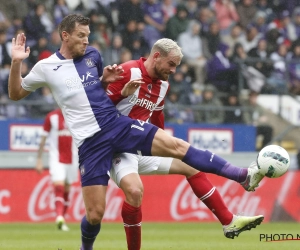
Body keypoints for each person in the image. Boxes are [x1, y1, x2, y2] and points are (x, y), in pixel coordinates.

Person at [8, 14, 264, 250]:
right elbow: (16, 93)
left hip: (115, 125)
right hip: (90, 143)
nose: (86, 40)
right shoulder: (46, 67)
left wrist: (105, 80)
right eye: (81, 35)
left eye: (88, 35)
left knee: (177, 148)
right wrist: (16, 62)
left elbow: (96, 93)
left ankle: (242, 175)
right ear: (65, 35)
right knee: (95, 214)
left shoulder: (93, 56)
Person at [106, 41, 264, 250]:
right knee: (134, 193)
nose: (173, 70)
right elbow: (99, 109)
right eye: (171, 64)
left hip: (140, 145)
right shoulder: (127, 71)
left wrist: (161, 141)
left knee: (191, 166)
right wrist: (122, 94)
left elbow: (157, 115)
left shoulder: (163, 85)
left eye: (176, 66)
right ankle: (241, 175)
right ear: (156, 57)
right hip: (115, 147)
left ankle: (228, 221)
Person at [36, 108, 78, 231]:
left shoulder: (75, 115)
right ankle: (59, 216)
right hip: (56, 158)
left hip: (73, 159)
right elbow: (43, 138)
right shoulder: (51, 117)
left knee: (67, 188)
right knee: (59, 186)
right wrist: (39, 159)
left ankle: (62, 220)